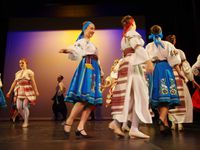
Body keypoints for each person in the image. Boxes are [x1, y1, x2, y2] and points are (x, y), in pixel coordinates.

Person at [109, 15, 154, 139]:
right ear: (133, 23)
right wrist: (148, 61)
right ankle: (130, 126)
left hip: (126, 63)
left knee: (131, 96)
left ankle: (124, 124)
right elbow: (137, 47)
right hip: (133, 65)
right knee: (140, 94)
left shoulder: (124, 37)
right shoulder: (132, 33)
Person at [59, 21, 104, 138]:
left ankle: (80, 127)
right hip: (87, 68)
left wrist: (101, 72)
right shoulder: (81, 41)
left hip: (95, 71)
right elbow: (76, 51)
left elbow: (98, 59)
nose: (93, 31)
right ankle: (69, 120)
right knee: (84, 98)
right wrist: (67, 50)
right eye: (91, 28)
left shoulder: (93, 45)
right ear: (84, 29)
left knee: (92, 102)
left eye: (94, 29)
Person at [145, 25, 181, 135]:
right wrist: (180, 73)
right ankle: (161, 119)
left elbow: (146, 62)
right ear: (161, 33)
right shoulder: (168, 44)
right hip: (165, 69)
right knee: (166, 97)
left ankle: (164, 125)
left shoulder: (148, 46)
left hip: (154, 71)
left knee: (159, 97)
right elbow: (175, 61)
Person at [166, 34, 198, 131]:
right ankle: (179, 124)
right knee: (180, 99)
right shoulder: (179, 52)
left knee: (171, 98)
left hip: (169, 77)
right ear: (174, 42)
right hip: (178, 77)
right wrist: (192, 79)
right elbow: (186, 68)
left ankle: (172, 123)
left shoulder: (165, 52)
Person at [6, 58, 39, 128]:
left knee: (24, 106)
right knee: (19, 108)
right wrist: (9, 91)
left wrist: (36, 91)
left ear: (26, 63)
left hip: (27, 91)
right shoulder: (17, 73)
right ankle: (25, 119)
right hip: (19, 91)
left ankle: (26, 122)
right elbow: (14, 83)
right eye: (20, 63)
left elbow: (33, 82)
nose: (21, 64)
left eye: (22, 63)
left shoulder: (30, 72)